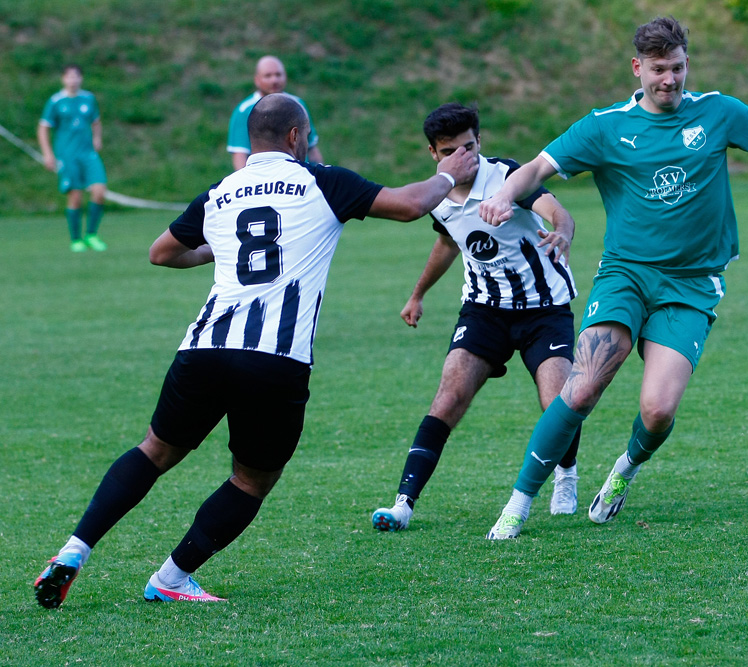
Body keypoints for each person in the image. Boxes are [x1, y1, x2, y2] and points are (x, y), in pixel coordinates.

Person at [33, 93, 477, 608]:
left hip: (203, 347)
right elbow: (409, 205)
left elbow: (161, 253)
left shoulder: (221, 191)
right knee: (253, 478)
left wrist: (218, 251)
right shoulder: (320, 178)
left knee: (154, 451)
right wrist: (449, 172)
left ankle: (73, 550)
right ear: (295, 137)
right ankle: (171, 578)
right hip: (274, 357)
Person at [479, 16, 748, 539]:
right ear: (637, 68)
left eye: (679, 67)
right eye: (659, 69)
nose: (671, 79)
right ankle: (519, 502)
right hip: (627, 275)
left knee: (658, 410)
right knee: (582, 389)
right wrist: (505, 194)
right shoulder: (605, 125)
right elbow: (537, 168)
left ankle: (623, 472)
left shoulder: (717, 112)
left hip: (691, 284)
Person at [371, 103, 581, 532]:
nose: (464, 158)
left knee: (557, 402)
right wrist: (417, 294)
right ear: (434, 153)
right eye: (452, 151)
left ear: (480, 141)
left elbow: (558, 212)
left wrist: (561, 231)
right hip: (484, 311)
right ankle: (403, 504)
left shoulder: (507, 177)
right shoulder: (437, 194)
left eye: (470, 147)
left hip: (544, 308)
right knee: (447, 398)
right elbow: (449, 242)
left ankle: (566, 475)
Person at [38, 64, 108, 252]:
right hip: (68, 156)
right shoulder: (56, 101)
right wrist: (48, 154)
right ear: (63, 79)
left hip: (88, 154)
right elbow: (43, 128)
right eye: (69, 77)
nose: (73, 80)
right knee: (75, 196)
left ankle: (92, 235)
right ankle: (76, 239)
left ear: (81, 78)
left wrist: (97, 138)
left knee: (99, 191)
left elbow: (96, 121)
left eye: (76, 76)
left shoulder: (88, 98)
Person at [227, 56, 322, 170]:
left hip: (300, 177)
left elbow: (311, 147)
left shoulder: (298, 105)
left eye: (278, 75)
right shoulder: (245, 110)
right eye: (268, 76)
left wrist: (320, 177)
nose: (274, 80)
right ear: (257, 80)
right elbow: (240, 154)